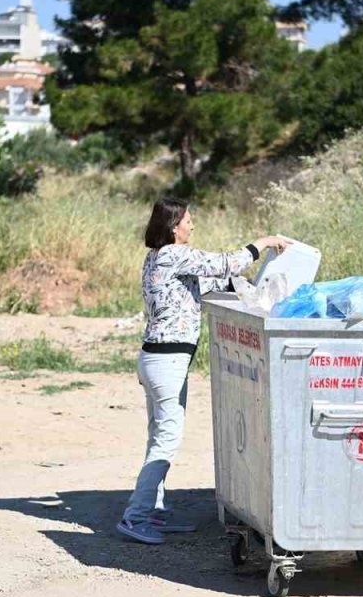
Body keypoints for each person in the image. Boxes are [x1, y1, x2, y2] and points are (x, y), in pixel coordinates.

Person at [116, 198, 289, 544]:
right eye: (188, 221)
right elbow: (222, 263)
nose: (192, 226)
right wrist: (264, 243)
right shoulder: (171, 254)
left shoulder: (161, 259)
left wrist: (250, 285)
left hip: (158, 359)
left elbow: (214, 282)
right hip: (165, 362)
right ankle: (135, 518)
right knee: (166, 440)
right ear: (173, 227)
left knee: (158, 437)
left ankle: (154, 511)